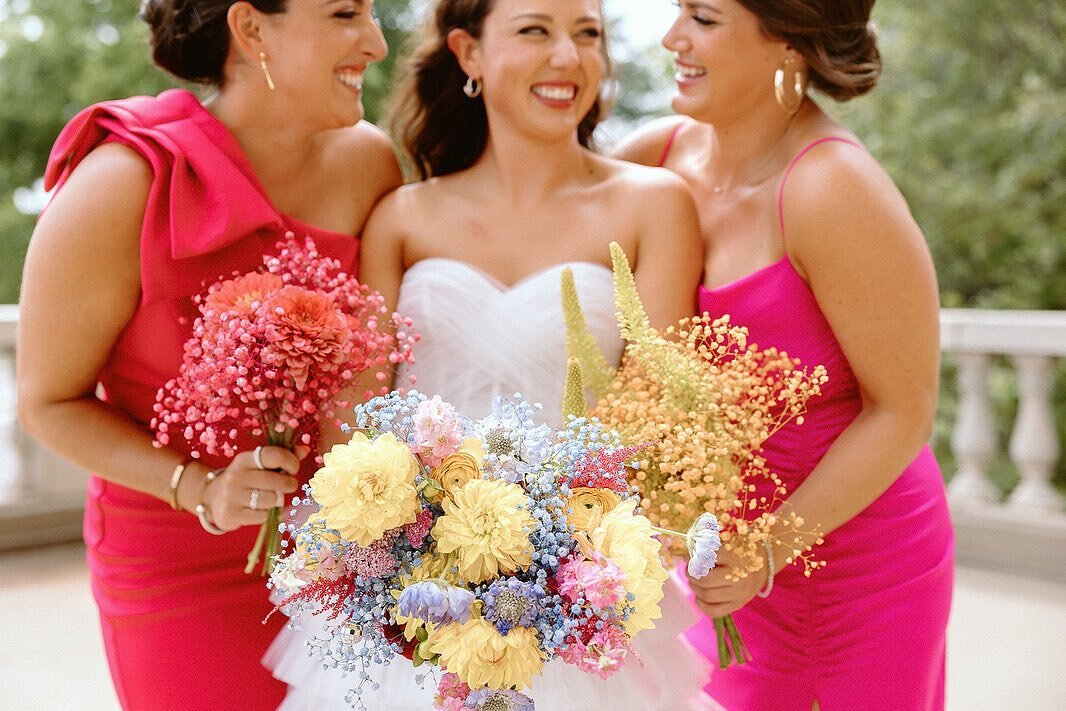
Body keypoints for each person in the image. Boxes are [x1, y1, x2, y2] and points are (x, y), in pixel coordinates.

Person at [263, 0, 721, 708]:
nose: (568, 57)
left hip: (580, 598)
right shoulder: (402, 217)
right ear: (468, 54)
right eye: (536, 30)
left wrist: (553, 563)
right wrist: (414, 553)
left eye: (588, 34)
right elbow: (350, 430)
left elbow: (656, 426)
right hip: (413, 603)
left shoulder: (653, 206)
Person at [15, 1, 400, 708]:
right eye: (345, 13)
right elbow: (46, 401)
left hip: (343, 554)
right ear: (251, 30)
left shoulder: (370, 163)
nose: (374, 43)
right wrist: (200, 487)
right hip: (178, 563)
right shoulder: (122, 183)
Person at [613, 1, 954, 709]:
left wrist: (768, 546)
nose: (674, 38)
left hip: (856, 568)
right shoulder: (657, 156)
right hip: (716, 570)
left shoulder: (832, 189)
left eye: (703, 18)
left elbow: (905, 408)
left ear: (789, 42)